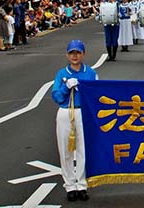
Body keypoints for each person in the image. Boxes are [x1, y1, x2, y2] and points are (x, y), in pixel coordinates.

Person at [51, 40, 98, 202]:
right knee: (66, 150)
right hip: (66, 112)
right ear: (67, 55)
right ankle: (70, 185)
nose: (75, 56)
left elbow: (97, 95)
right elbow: (56, 96)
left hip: (83, 113)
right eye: (72, 53)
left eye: (78, 53)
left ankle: (82, 185)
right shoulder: (61, 74)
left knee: (83, 150)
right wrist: (66, 87)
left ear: (83, 54)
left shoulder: (90, 73)